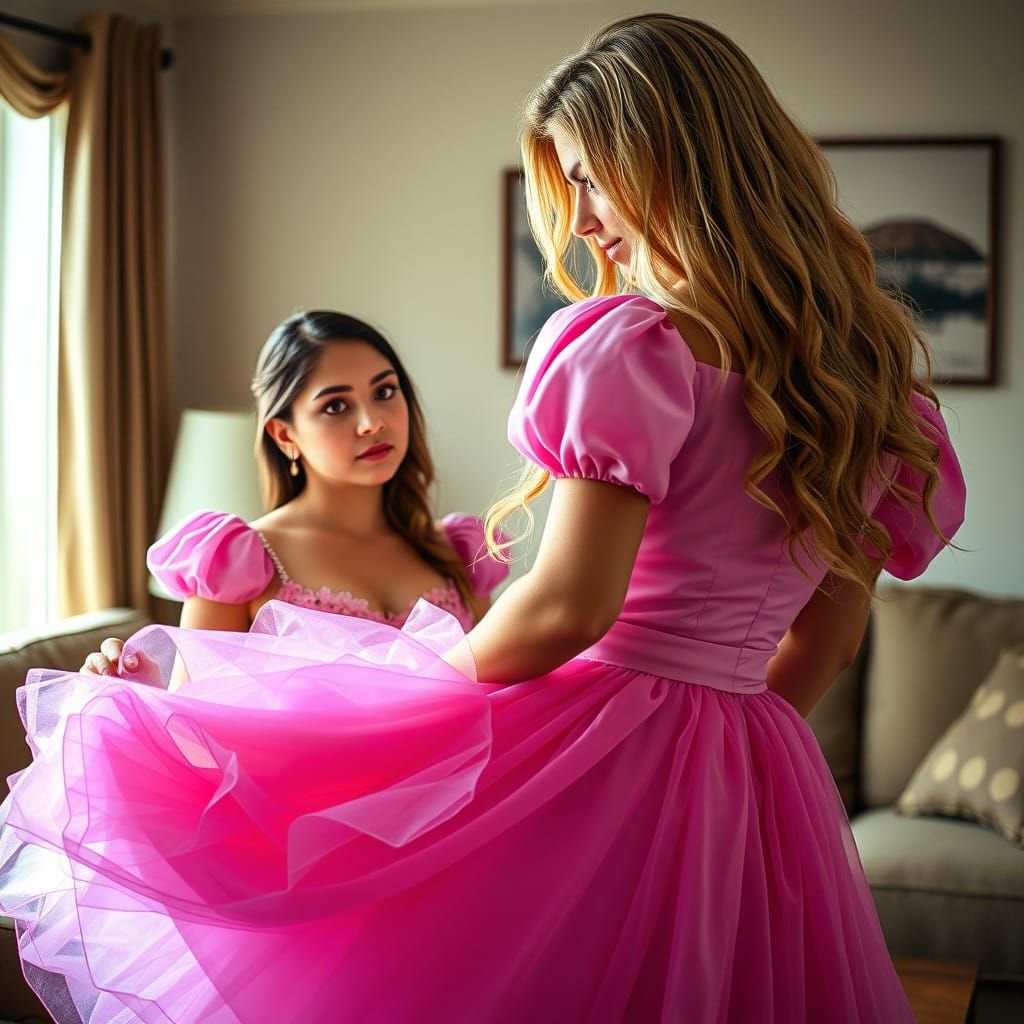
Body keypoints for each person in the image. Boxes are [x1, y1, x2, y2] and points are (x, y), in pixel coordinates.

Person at [0, 15, 966, 1024]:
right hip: (761, 766)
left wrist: (399, 702)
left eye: (591, 176)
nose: (584, 222)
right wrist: (722, 756)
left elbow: (566, 609)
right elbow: (830, 636)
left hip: (608, 744)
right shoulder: (878, 395)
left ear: (669, 157)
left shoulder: (640, 349)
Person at [81, 309, 507, 684]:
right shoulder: (237, 563)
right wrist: (140, 688)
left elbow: (501, 693)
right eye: (336, 406)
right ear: (285, 435)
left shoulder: (458, 552)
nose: (372, 422)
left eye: (384, 392)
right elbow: (193, 728)